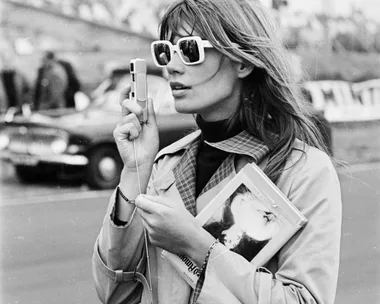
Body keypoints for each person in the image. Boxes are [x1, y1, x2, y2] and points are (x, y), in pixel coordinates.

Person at [92, 0, 342, 303]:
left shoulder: (303, 170)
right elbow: (115, 294)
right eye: (165, 51)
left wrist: (198, 245)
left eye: (189, 49)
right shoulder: (164, 166)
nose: (171, 66)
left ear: (242, 62)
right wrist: (136, 170)